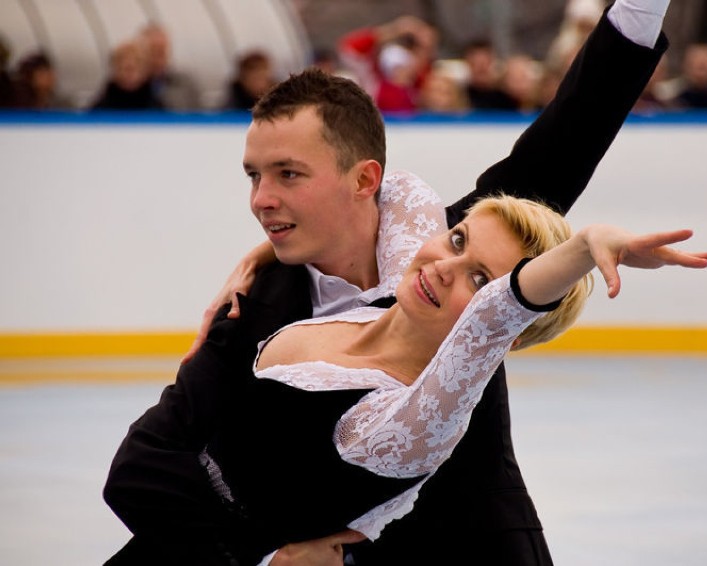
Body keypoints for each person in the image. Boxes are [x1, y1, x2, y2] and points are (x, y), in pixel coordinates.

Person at [105, 1, 672, 564]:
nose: (261, 200)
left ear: (363, 180)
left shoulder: (470, 248)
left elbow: (575, 129)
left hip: (470, 541)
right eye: (255, 176)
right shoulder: (255, 306)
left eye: (289, 175)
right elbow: (151, 470)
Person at [138, 23, 202, 111]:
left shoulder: (184, 82)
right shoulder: (131, 84)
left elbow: (198, 113)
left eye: (162, 49)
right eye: (153, 49)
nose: (158, 55)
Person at [90, 39, 163, 110]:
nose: (129, 74)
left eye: (134, 67)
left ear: (145, 70)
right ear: (115, 69)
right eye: (124, 68)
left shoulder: (158, 109)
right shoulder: (99, 109)